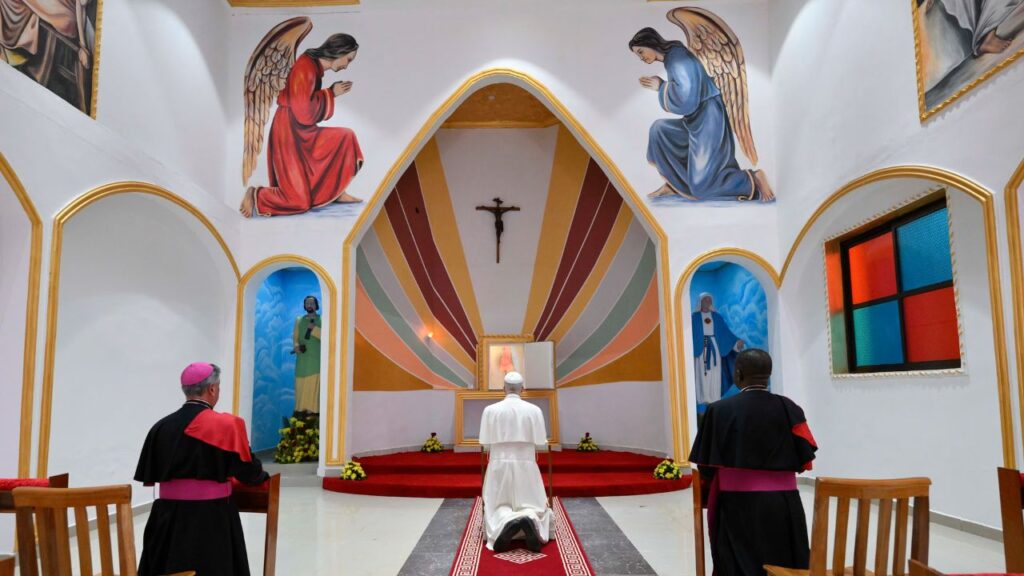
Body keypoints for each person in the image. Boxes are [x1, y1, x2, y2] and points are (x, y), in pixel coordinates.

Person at [690, 349, 817, 576]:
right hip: (784, 505)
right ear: (768, 375)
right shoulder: (790, 408)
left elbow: (706, 467)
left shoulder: (718, 411)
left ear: (738, 374)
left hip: (737, 506)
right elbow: (805, 457)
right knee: (784, 562)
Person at [135, 362, 269, 576]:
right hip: (212, 518)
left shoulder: (160, 427)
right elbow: (250, 474)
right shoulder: (226, 425)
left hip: (167, 519)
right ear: (212, 389)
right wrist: (263, 474)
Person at [629, 27, 773, 202]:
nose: (641, 57)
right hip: (695, 120)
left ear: (650, 43)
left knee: (702, 188)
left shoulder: (677, 59)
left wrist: (661, 87)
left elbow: (687, 99)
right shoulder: (672, 58)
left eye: (641, 51)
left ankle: (751, 179)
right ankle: (675, 185)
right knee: (659, 130)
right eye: (638, 55)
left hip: (709, 120)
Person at [240, 33, 363, 217]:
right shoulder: (305, 67)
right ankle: (257, 196)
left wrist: (329, 93)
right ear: (339, 52)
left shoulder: (313, 67)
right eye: (348, 59)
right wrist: (331, 93)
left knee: (346, 137)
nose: (347, 65)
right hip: (289, 135)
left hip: (303, 132)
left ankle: (336, 193)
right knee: (298, 201)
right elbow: (304, 112)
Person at [479, 371, 552, 553]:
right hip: (526, 462)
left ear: (503, 388)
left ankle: (505, 521)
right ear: (523, 389)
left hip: (498, 462)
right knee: (531, 502)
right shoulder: (534, 410)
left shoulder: (490, 410)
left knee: (497, 503)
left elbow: (484, 441)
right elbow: (540, 440)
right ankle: (529, 519)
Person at [692, 293, 744, 406]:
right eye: (705, 299)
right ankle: (702, 398)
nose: (707, 301)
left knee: (715, 373)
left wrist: (736, 343)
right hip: (701, 348)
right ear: (700, 302)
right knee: (702, 373)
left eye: (709, 299)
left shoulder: (717, 317)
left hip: (715, 348)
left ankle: (715, 397)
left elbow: (726, 333)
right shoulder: (694, 318)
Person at [293, 295, 321, 415]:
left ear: (316, 305)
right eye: (307, 303)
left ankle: (313, 415)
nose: (310, 305)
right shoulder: (299, 320)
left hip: (315, 364)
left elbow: (328, 339)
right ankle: (300, 415)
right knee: (301, 390)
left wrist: (314, 329)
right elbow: (295, 338)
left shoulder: (323, 320)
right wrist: (296, 347)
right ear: (304, 305)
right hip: (302, 363)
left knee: (313, 392)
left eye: (312, 303)